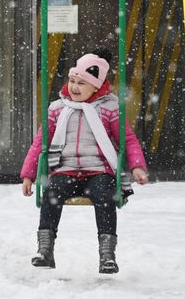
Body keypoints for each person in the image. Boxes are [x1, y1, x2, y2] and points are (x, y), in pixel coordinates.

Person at [20, 46, 148, 274]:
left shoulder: (109, 108)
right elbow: (40, 143)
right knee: (51, 193)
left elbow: (128, 140)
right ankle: (45, 249)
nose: (74, 87)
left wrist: (137, 166)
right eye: (72, 81)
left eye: (82, 83)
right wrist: (29, 174)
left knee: (105, 196)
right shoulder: (58, 109)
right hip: (65, 170)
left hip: (98, 170)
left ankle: (107, 255)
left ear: (96, 86)